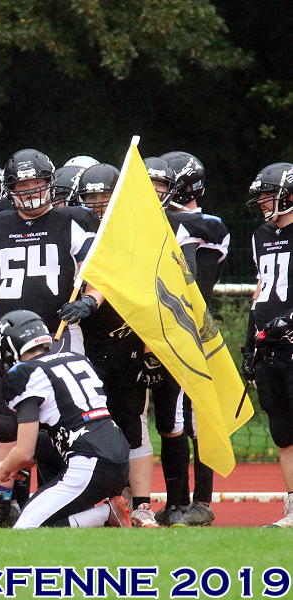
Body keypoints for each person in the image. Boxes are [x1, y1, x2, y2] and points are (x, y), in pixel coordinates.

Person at [0, 148, 100, 527]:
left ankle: (60, 497)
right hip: (7, 342)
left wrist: (89, 300)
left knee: (65, 422)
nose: (31, 190)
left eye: (37, 183)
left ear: (51, 184)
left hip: (59, 336)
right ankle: (0, 505)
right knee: (4, 424)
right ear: (10, 188)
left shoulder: (73, 219)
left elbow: (96, 272)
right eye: (23, 184)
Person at [0, 310, 131, 528]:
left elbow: (23, 452)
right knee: (42, 439)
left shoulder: (25, 373)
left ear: (8, 348)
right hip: (118, 456)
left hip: (89, 463)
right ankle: (87, 508)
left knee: (26, 530)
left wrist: (5, 467)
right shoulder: (76, 358)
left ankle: (105, 514)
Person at [149, 151, 229, 527]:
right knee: (169, 418)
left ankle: (201, 501)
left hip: (193, 330)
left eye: (162, 184)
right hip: (167, 329)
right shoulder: (170, 223)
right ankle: (177, 502)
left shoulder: (203, 224)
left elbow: (191, 276)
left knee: (195, 418)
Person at [76, 163, 158, 527]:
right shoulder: (73, 230)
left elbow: (151, 293)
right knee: (91, 424)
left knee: (132, 422)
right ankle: (103, 501)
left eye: (103, 196)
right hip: (84, 342)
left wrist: (151, 347)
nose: (96, 203)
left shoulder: (135, 235)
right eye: (90, 196)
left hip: (126, 341)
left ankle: (140, 503)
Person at [244, 162, 293, 528]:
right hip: (270, 348)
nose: (262, 202)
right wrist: (250, 344)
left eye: (267, 194)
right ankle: (292, 510)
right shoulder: (261, 235)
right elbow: (260, 290)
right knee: (283, 432)